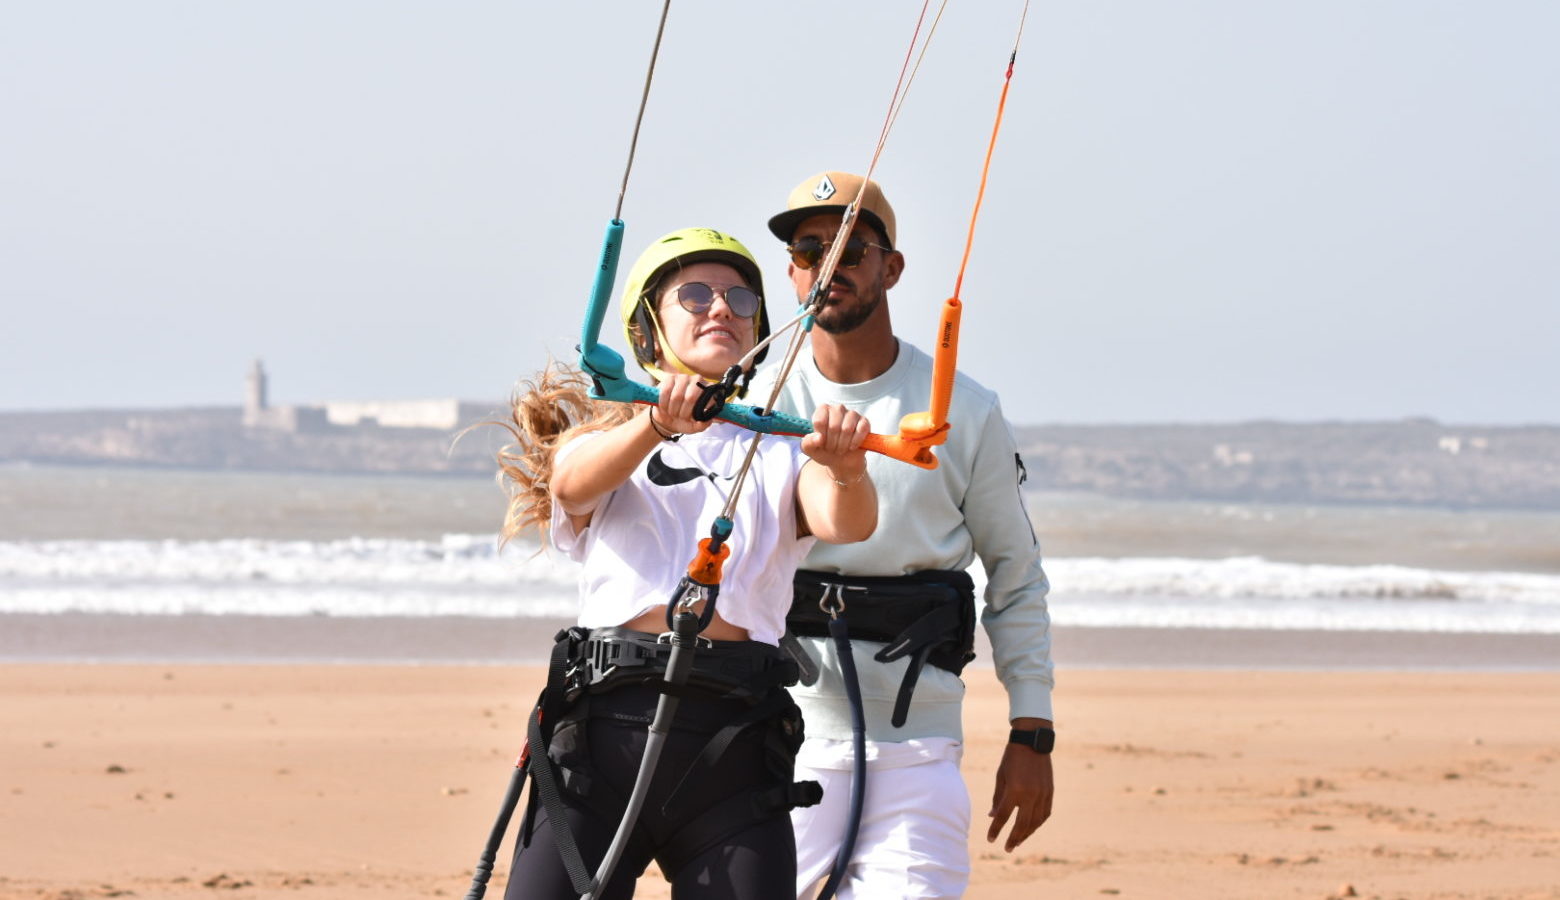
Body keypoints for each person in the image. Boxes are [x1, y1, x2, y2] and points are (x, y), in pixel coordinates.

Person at [494, 227, 879, 900]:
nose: (721, 309)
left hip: (731, 748)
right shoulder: (607, 434)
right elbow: (572, 485)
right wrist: (658, 424)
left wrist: (847, 468)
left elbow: (847, 520)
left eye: (739, 298)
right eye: (694, 295)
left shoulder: (785, 448)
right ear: (648, 331)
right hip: (600, 741)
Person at [753, 172, 1055, 899]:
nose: (828, 267)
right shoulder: (755, 399)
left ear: (891, 268)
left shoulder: (966, 410)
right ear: (791, 272)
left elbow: (1015, 574)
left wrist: (1032, 729)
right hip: (773, 742)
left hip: (918, 749)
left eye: (851, 250)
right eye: (808, 249)